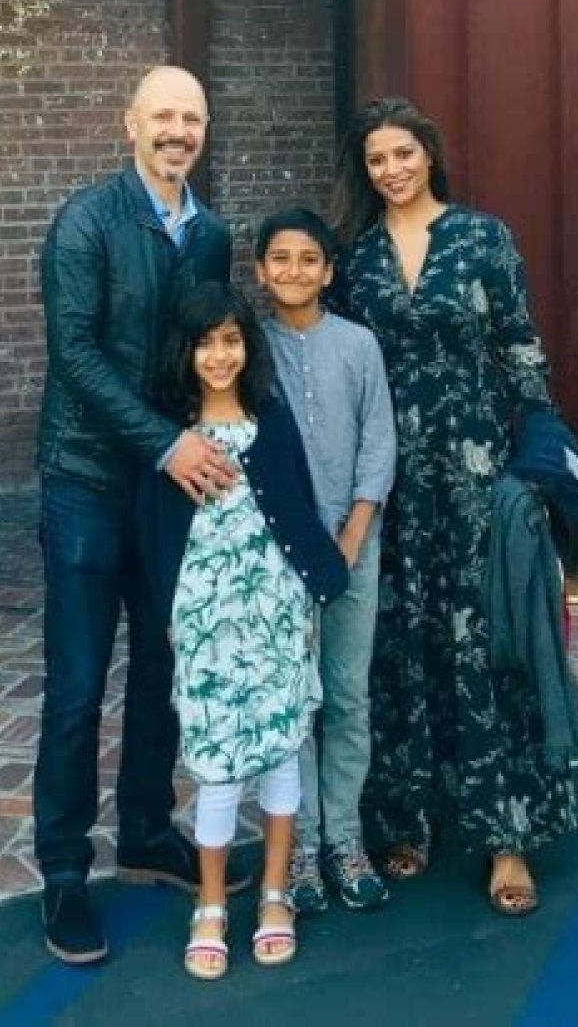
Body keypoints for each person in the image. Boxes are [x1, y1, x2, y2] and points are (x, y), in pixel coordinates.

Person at [329, 98, 578, 915]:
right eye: (376, 159)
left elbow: (520, 347)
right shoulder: (357, 258)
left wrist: (534, 465)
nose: (391, 170)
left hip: (476, 471)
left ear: (429, 155)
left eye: (403, 154)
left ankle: (507, 839)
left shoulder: (482, 238)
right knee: (401, 643)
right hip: (390, 481)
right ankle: (409, 817)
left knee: (484, 644)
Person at [35, 66, 249, 966]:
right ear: (131, 124)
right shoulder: (86, 221)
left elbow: (204, 350)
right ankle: (62, 873)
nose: (177, 131)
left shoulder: (212, 235)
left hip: (169, 489)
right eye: (163, 115)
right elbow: (75, 354)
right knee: (78, 685)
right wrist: (167, 443)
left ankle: (147, 834)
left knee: (164, 666)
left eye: (191, 118)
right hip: (86, 479)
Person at [137, 281, 348, 979]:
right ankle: (210, 903)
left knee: (283, 751)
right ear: (185, 352)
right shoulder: (172, 440)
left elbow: (301, 511)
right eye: (205, 343)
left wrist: (311, 603)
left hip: (276, 614)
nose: (219, 356)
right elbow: (155, 536)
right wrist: (170, 617)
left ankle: (275, 891)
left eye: (231, 341)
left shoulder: (272, 422)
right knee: (217, 761)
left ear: (248, 348)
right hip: (206, 621)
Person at [254, 208, 396, 913]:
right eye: (280, 258)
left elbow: (379, 440)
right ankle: (302, 844)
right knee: (294, 703)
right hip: (280, 555)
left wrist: (353, 533)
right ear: (260, 270)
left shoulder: (357, 344)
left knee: (345, 694)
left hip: (352, 547)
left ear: (329, 271)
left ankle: (345, 836)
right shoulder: (250, 350)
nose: (294, 271)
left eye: (309, 259)